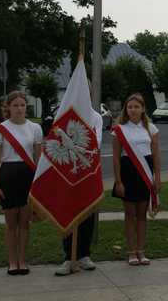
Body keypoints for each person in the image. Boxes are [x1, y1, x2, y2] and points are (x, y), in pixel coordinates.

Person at [55, 82, 105, 275]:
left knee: (87, 211)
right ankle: (69, 257)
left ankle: (84, 254)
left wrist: (77, 146)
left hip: (88, 170)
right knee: (68, 210)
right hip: (68, 169)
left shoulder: (95, 117)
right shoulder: (64, 115)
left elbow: (96, 142)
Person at [0, 91, 43, 275]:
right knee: (11, 223)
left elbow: (39, 159)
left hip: (28, 177)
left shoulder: (35, 128)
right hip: (8, 177)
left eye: (22, 105)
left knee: (25, 223)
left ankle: (22, 260)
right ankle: (12, 261)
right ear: (8, 107)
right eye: (15, 105)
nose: (19, 109)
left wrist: (39, 185)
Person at [111, 93, 161, 265]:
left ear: (143, 109)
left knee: (142, 215)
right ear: (126, 109)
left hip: (145, 174)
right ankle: (131, 251)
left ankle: (141, 251)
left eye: (136, 107)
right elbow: (116, 158)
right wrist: (118, 181)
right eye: (130, 107)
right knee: (129, 214)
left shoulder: (151, 129)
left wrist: (157, 178)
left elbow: (156, 156)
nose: (133, 110)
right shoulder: (119, 129)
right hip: (127, 174)